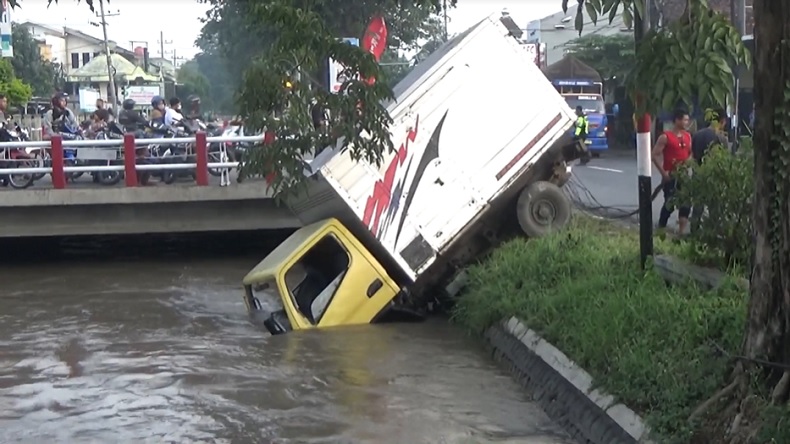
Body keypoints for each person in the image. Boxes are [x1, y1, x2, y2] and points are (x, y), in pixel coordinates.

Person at [688, 108, 729, 231]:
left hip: (698, 174)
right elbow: (723, 161)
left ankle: (694, 233)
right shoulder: (722, 138)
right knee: (714, 209)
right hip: (713, 177)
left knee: (697, 208)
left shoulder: (697, 134)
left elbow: (693, 155)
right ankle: (712, 234)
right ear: (722, 121)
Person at [653, 108, 692, 234]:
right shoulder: (665, 137)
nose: (687, 122)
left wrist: (688, 163)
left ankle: (681, 231)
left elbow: (690, 153)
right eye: (685, 120)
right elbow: (654, 155)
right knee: (670, 203)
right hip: (671, 175)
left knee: (685, 204)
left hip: (684, 175)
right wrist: (664, 173)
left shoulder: (687, 136)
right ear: (677, 120)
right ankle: (661, 227)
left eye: (687, 120)